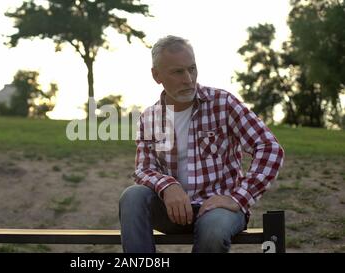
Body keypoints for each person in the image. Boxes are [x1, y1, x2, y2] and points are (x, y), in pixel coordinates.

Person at [119, 35, 284, 253]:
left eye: (192, 69)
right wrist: (168, 186)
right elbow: (144, 169)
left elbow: (269, 148)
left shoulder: (223, 103)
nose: (188, 79)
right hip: (173, 211)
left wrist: (238, 198)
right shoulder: (149, 117)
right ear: (156, 75)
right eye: (178, 72)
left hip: (219, 210)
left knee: (213, 231)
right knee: (132, 196)